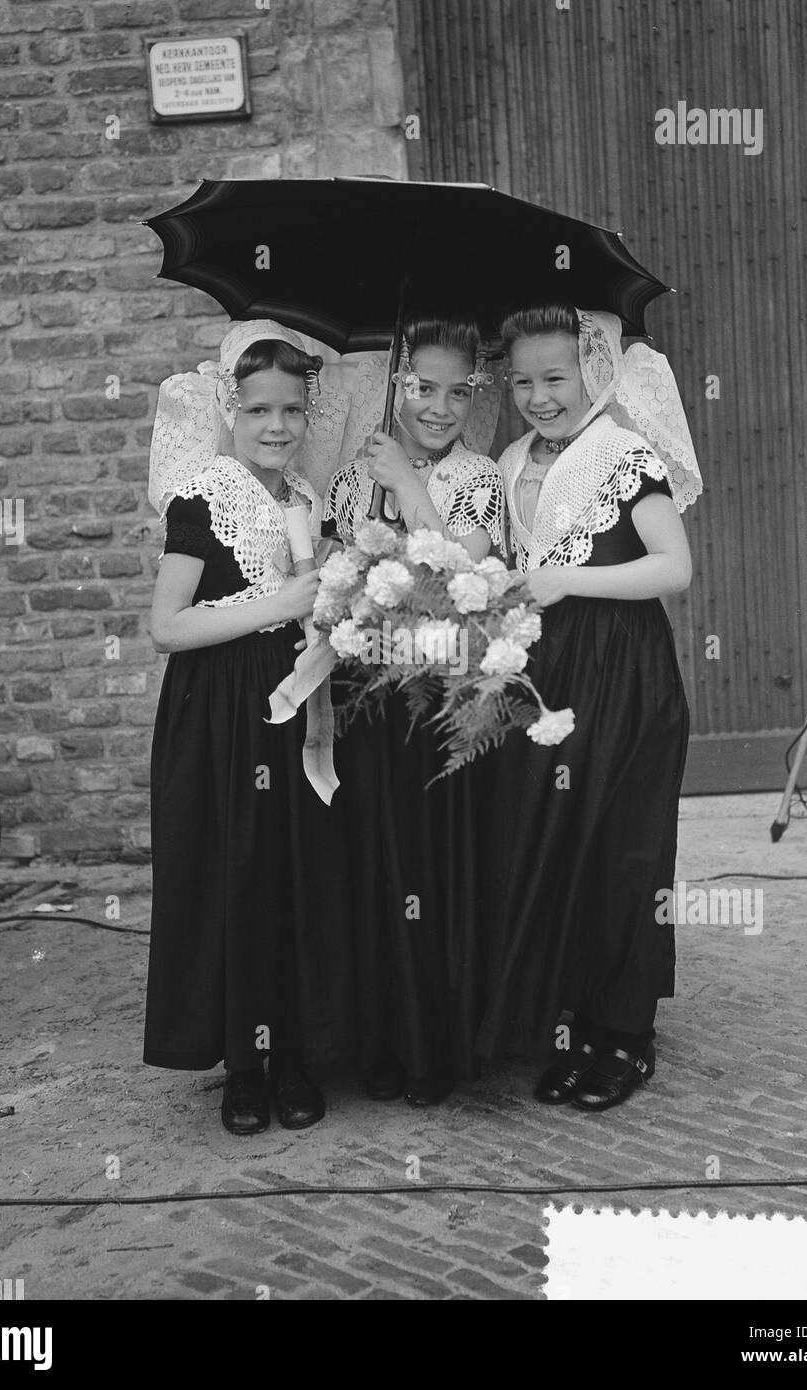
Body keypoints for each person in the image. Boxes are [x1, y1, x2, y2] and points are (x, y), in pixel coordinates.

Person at [476, 304, 703, 1112]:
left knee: (622, 849)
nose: (538, 396)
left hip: (622, 668)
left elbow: (672, 567)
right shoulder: (509, 461)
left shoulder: (620, 453)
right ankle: (571, 1023)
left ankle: (626, 1035)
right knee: (557, 844)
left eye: (555, 377)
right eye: (522, 382)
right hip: (546, 673)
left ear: (593, 373)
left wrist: (568, 579)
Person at [143, 320, 353, 1135]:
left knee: (295, 874)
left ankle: (295, 1054)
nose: (277, 426)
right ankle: (243, 1064)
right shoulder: (204, 496)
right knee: (238, 875)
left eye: (292, 410)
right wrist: (278, 603)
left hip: (295, 706)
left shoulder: (303, 500)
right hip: (222, 713)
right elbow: (167, 626)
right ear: (230, 410)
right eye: (259, 409)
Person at [323, 313, 506, 1105]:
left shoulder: (477, 479)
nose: (438, 406)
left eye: (457, 392)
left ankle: (437, 1046)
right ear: (396, 384)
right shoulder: (351, 478)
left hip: (441, 700)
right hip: (367, 698)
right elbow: (337, 580)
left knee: (434, 868)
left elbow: (463, 583)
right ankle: (380, 1039)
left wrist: (408, 485)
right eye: (423, 387)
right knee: (377, 864)